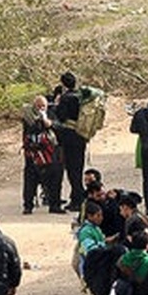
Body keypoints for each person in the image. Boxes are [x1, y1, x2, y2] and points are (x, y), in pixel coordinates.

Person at [21, 95, 64, 214]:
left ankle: (54, 204)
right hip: (34, 153)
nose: (41, 108)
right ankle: (28, 206)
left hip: (51, 153)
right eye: (38, 106)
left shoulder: (51, 113)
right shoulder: (28, 116)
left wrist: (47, 121)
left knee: (55, 178)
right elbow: (28, 132)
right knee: (30, 180)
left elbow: (59, 127)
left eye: (43, 106)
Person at [53, 72, 88, 211]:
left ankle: (77, 200)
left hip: (69, 137)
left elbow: (61, 117)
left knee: (72, 170)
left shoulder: (66, 98)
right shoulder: (81, 96)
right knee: (78, 168)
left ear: (63, 84)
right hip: (81, 135)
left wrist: (57, 105)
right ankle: (77, 198)